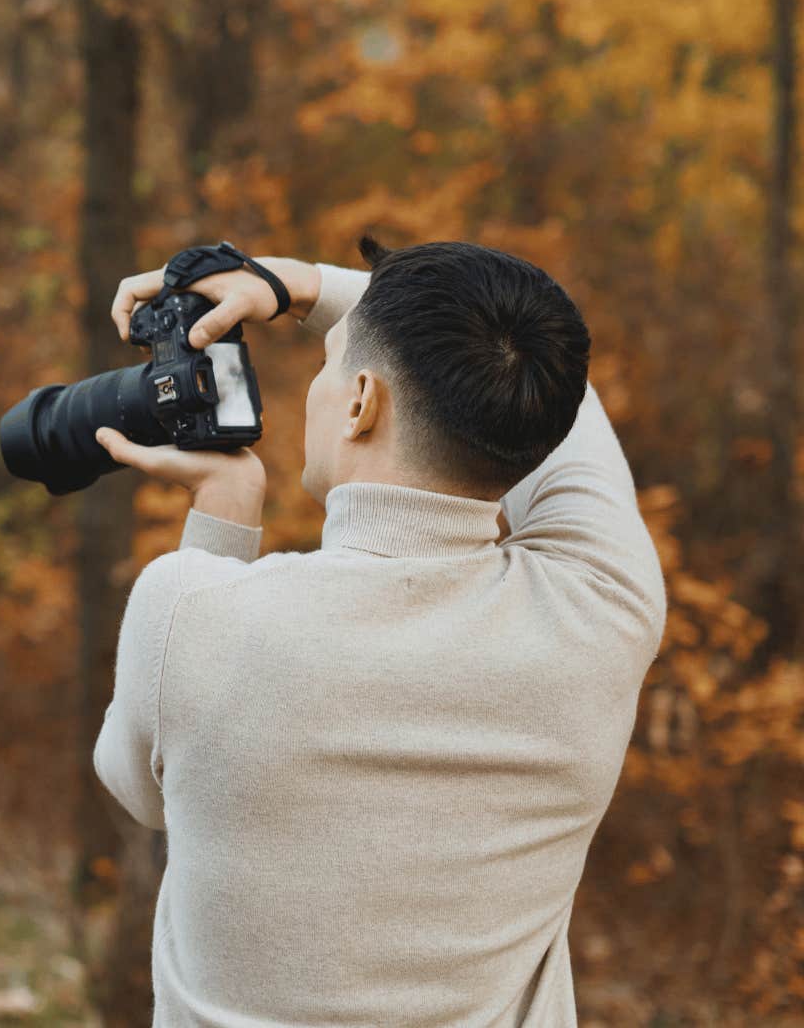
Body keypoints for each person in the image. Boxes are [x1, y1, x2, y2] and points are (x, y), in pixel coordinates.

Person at [92, 239, 666, 1026]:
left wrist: (220, 525)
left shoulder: (192, 611)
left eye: (330, 365)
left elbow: (140, 791)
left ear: (362, 401)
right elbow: (570, 403)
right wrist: (304, 291)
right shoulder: (603, 609)